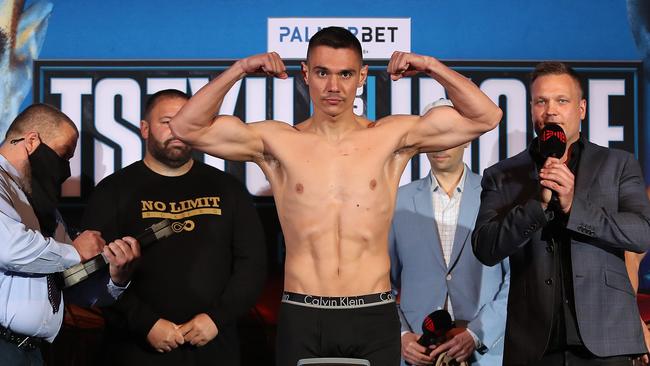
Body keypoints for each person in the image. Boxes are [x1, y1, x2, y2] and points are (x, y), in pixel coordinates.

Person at [169, 26, 501, 365]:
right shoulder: (277, 143)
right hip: (303, 312)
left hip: (372, 313)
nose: (333, 86)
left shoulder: (390, 138)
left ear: (362, 76)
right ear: (306, 75)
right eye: (322, 72)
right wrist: (240, 69)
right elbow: (186, 128)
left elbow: (486, 116)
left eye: (345, 74)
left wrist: (431, 66)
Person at [472, 61, 650, 365]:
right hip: (534, 344)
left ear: (581, 109)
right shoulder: (502, 175)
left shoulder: (619, 164)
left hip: (607, 341)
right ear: (531, 108)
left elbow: (641, 234)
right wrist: (537, 207)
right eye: (541, 101)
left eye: (561, 101)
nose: (550, 111)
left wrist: (573, 206)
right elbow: (485, 248)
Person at [81, 89, 267, 366]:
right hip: (135, 349)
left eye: (186, 122)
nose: (177, 130)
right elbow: (92, 272)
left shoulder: (228, 189)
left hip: (214, 346)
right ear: (144, 129)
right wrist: (145, 323)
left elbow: (252, 266)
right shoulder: (113, 191)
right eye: (167, 121)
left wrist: (217, 318)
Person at [0, 103, 140, 366]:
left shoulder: (44, 207)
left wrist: (116, 278)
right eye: (63, 156)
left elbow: (70, 282)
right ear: (31, 141)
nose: (65, 170)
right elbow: (8, 250)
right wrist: (76, 251)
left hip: (34, 352)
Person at [389, 100, 509, 366]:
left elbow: (516, 279)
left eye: (451, 133)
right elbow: (379, 281)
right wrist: (401, 335)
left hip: (484, 354)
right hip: (417, 354)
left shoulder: (498, 197)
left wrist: (477, 333)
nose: (441, 143)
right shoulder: (398, 201)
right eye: (433, 134)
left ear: (467, 139)